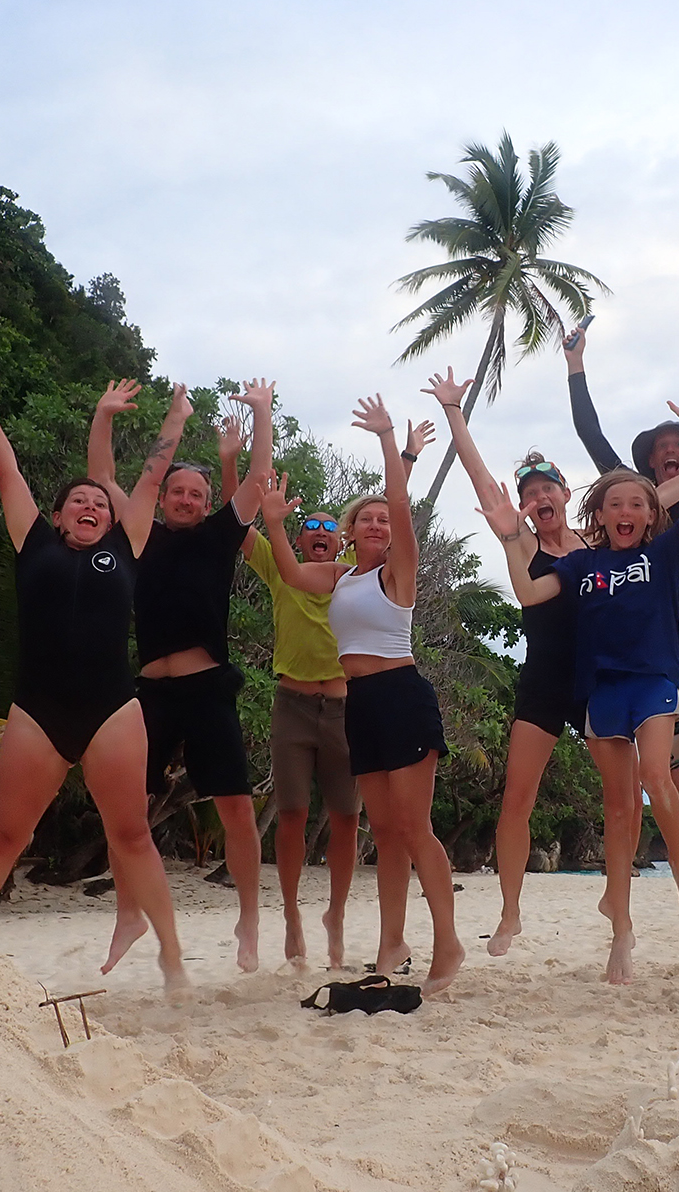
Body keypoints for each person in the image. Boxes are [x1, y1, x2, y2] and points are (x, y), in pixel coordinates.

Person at [0, 367, 190, 1002]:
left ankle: (171, 953)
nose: (91, 507)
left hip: (112, 710)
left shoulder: (126, 548)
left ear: (111, 519)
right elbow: (8, 472)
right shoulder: (34, 544)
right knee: (3, 836)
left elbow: (152, 476)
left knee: (131, 834)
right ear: (56, 515)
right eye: (79, 501)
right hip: (38, 711)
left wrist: (176, 419)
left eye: (99, 503)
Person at [485, 375, 679, 985]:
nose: (625, 512)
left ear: (651, 514)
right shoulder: (582, 562)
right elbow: (529, 592)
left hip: (653, 683)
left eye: (637, 504)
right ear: (598, 513)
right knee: (618, 809)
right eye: (614, 504)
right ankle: (621, 927)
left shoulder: (663, 553)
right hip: (602, 691)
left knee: (655, 777)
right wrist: (510, 538)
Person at [565, 290, 679, 956]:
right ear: (648, 468)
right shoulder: (638, 514)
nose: (673, 453)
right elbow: (592, 438)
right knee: (665, 780)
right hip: (652, 665)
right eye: (662, 450)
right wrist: (575, 367)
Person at [259, 395, 465, 995]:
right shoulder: (339, 576)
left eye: (383, 520)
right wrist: (275, 522)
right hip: (360, 706)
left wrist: (388, 441)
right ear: (348, 533)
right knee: (386, 831)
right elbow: (291, 573)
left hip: (402, 696)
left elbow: (400, 502)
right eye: (365, 519)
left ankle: (448, 943)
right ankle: (390, 943)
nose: (377, 524)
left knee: (415, 827)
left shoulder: (397, 571)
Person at [87, 376, 274, 974]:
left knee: (236, 807)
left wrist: (263, 414)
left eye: (197, 494)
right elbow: (102, 477)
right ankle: (128, 913)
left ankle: (248, 918)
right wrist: (104, 416)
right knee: (128, 809)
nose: (188, 500)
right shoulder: (139, 534)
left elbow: (257, 478)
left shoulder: (220, 535)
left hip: (208, 687)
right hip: (150, 694)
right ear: (163, 496)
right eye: (179, 492)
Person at [422, 367, 589, 957]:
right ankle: (510, 913)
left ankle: (622, 903)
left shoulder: (597, 542)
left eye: (548, 489)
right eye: (529, 494)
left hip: (595, 679)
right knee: (518, 800)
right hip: (543, 680)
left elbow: (652, 498)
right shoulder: (521, 541)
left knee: (632, 787)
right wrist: (454, 411)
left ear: (566, 493)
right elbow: (478, 475)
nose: (540, 498)